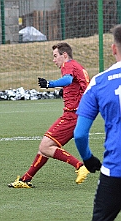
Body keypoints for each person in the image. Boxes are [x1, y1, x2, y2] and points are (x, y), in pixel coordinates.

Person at [8, 42, 90, 188]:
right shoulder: (78, 66)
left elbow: (68, 80)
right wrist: (64, 91)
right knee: (45, 147)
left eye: (55, 56)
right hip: (80, 114)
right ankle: (25, 179)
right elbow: (78, 86)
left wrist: (49, 84)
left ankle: (80, 166)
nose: (54, 60)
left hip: (73, 115)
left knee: (45, 146)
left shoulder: (68, 65)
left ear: (64, 55)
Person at [74, 24, 121, 220]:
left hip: (115, 169)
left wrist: (87, 158)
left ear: (114, 49)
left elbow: (80, 134)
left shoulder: (99, 82)